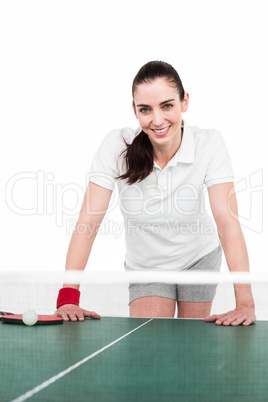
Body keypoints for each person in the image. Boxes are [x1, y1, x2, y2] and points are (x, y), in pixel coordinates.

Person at [55, 61, 256, 326]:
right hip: (146, 267)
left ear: (184, 102)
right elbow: (88, 223)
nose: (157, 120)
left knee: (190, 346)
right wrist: (68, 297)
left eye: (167, 105)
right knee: (150, 348)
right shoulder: (117, 145)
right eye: (145, 109)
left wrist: (245, 303)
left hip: (198, 259)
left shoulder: (209, 143)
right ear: (134, 110)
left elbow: (227, 224)